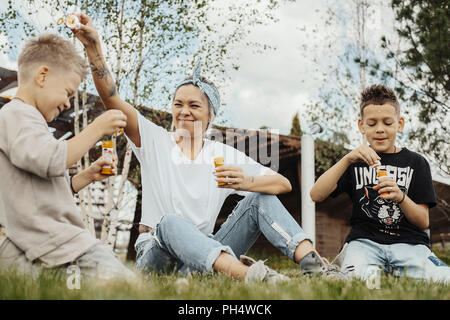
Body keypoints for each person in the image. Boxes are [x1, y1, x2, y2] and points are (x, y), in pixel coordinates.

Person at [71, 12, 347, 283]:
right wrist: (93, 48)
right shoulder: (154, 139)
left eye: (194, 105)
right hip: (157, 255)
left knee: (259, 198)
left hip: (206, 253)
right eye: (178, 104)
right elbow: (111, 98)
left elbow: (283, 184)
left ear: (210, 115)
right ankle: (251, 277)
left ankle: (315, 267)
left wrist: (248, 181)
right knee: (169, 223)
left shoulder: (221, 154)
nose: (184, 111)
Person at [0, 33, 135, 281]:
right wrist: (96, 128)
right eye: (68, 92)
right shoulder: (18, 115)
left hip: (44, 246)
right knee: (126, 286)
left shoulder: (26, 121)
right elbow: (51, 160)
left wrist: (86, 176)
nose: (67, 103)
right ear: (42, 76)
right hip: (62, 243)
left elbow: (40, 190)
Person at [310, 84, 450, 283]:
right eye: (372, 123)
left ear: (399, 124)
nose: (380, 130)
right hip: (364, 243)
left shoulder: (417, 163)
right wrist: (347, 159)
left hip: (410, 244)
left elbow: (423, 221)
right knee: (362, 283)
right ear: (361, 126)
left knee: (444, 279)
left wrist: (401, 197)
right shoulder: (353, 161)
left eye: (387, 123)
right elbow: (316, 194)